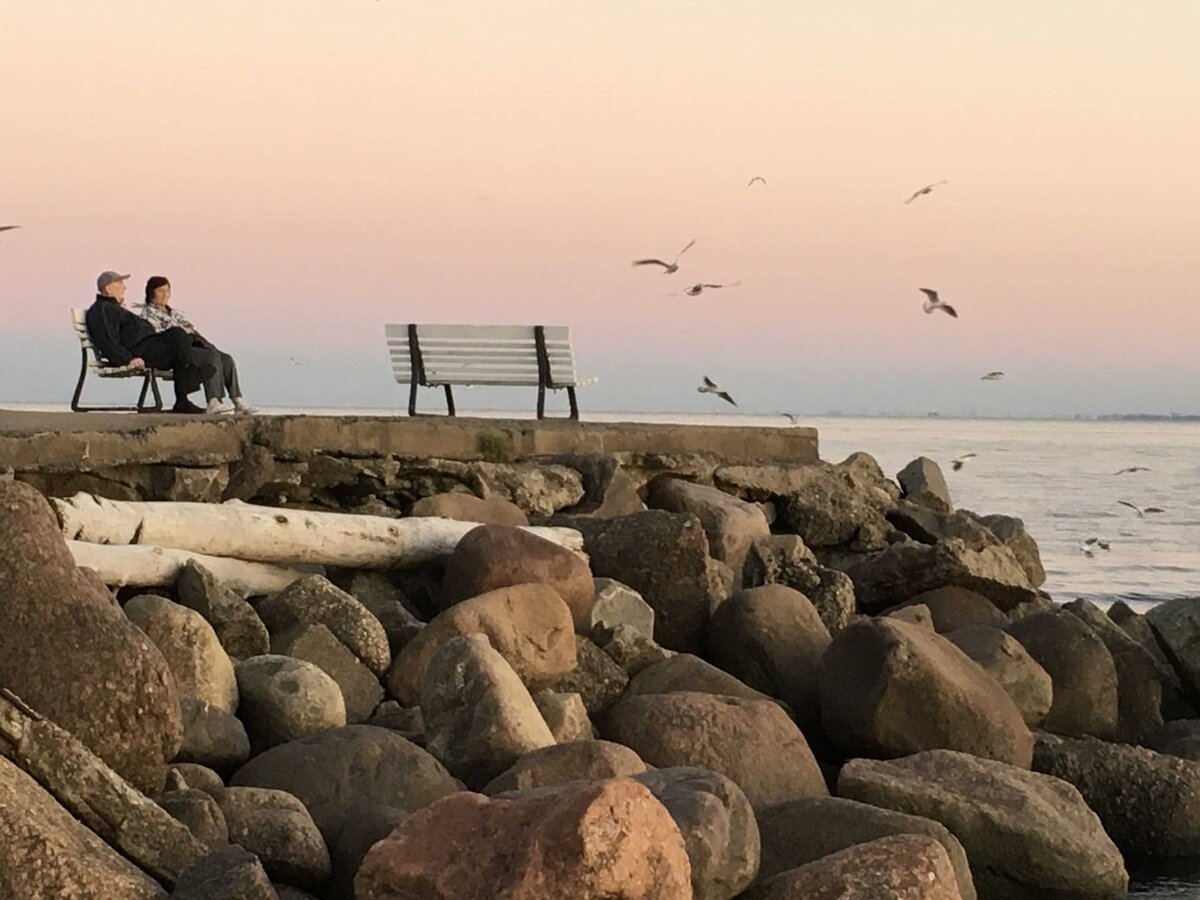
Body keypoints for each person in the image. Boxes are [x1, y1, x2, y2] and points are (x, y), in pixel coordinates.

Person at [85, 271, 213, 413]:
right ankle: (191, 374)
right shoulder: (103, 309)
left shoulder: (113, 307)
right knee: (177, 335)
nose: (124, 288)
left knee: (180, 342)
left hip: (147, 345)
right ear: (108, 289)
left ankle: (182, 400)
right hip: (139, 350)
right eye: (120, 284)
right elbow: (108, 340)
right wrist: (128, 359)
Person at [138, 276, 251, 414]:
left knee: (226, 358)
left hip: (193, 343)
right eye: (161, 291)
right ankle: (213, 400)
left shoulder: (174, 312)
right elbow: (158, 335)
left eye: (167, 290)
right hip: (175, 350)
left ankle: (237, 399)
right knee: (210, 356)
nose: (165, 294)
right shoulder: (148, 313)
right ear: (151, 293)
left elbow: (190, 328)